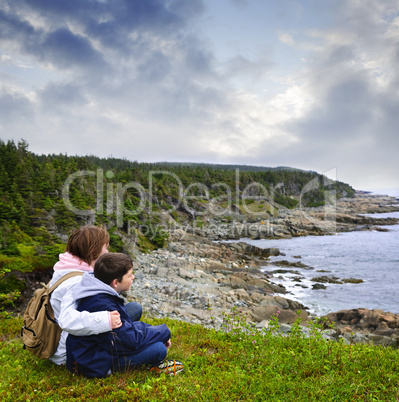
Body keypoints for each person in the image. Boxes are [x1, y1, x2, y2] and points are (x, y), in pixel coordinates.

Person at [66, 253, 184, 377]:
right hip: (90, 362)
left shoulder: (100, 289)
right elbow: (131, 341)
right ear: (116, 282)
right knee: (159, 349)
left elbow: (125, 327)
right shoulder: (104, 305)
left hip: (93, 346)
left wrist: (152, 331)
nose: (133, 277)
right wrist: (163, 332)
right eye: (129, 275)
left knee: (134, 310)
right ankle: (114, 367)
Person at [49, 225, 142, 365]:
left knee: (134, 308)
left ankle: (129, 337)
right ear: (93, 253)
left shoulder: (66, 268)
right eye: (105, 249)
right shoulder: (76, 282)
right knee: (156, 350)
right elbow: (67, 319)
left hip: (67, 337)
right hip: (71, 350)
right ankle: (125, 346)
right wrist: (106, 320)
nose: (108, 252)